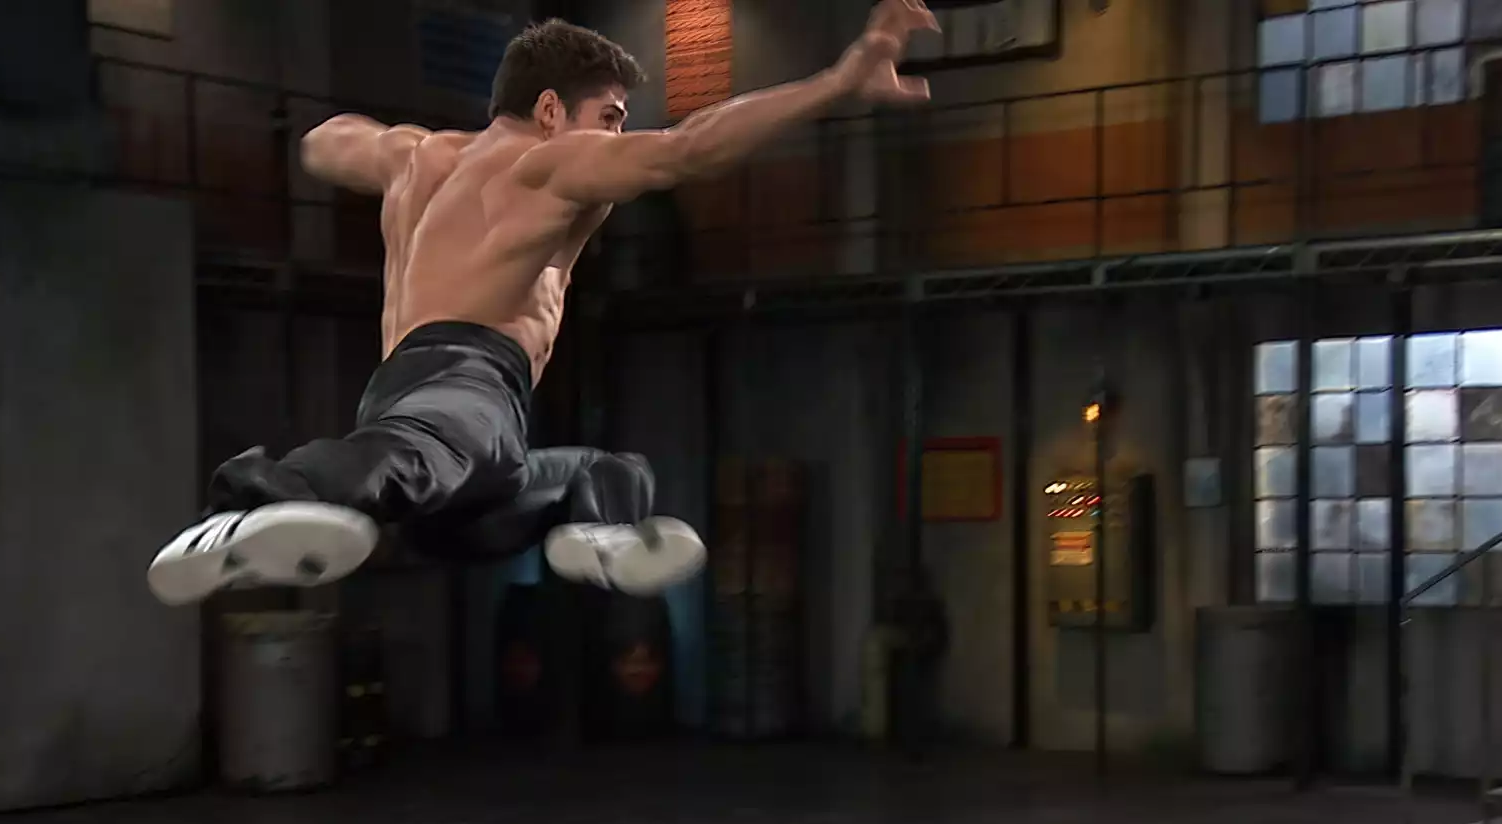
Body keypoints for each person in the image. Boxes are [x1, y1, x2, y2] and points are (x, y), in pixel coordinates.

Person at [148, 2, 940, 606]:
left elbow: (323, 142)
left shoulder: (417, 158)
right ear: (553, 110)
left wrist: (385, 144)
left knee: (599, 472)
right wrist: (837, 83)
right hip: (467, 385)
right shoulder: (548, 167)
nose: (615, 139)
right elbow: (690, 148)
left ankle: (594, 530)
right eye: (610, 119)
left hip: (404, 392)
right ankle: (255, 501)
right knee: (431, 450)